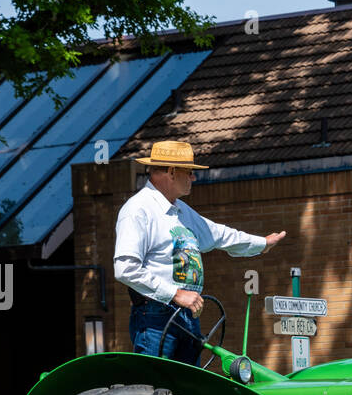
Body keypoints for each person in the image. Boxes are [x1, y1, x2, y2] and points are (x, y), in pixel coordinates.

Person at [114, 140, 286, 365]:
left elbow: (219, 234)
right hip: (155, 318)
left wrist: (262, 243)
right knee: (155, 392)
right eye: (190, 172)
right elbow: (125, 268)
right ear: (172, 172)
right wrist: (175, 294)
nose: (194, 178)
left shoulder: (181, 211)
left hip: (187, 315)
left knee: (189, 393)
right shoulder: (137, 210)